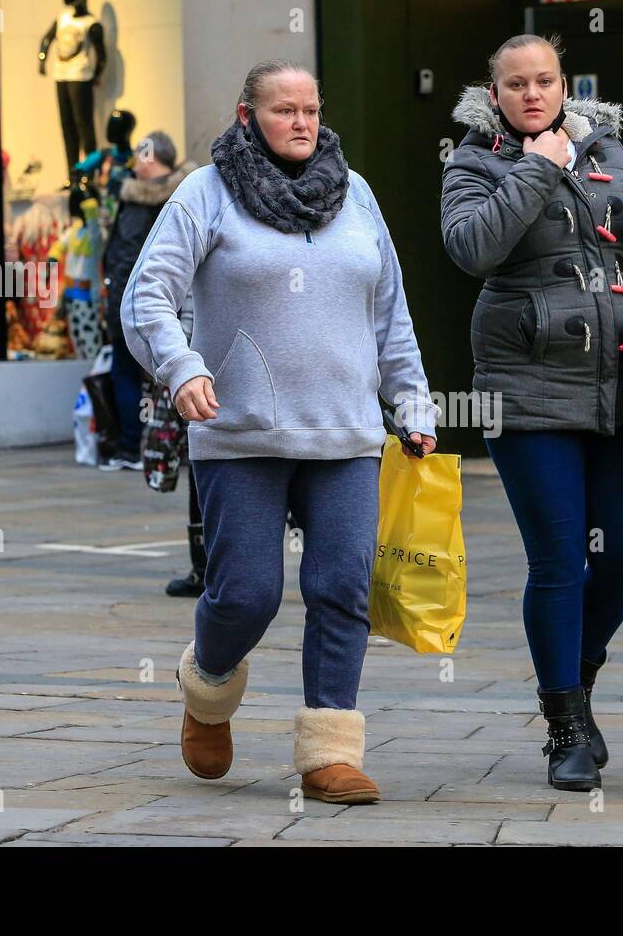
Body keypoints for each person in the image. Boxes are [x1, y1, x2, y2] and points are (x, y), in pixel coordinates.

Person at [122, 59, 439, 805]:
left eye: (311, 109)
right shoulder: (205, 194)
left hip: (347, 433)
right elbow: (148, 296)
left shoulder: (356, 195)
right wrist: (182, 367)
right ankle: (207, 693)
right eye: (283, 110)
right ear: (245, 117)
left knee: (341, 588)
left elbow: (390, 313)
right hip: (240, 435)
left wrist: (413, 401)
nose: (302, 122)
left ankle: (329, 752)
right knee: (247, 595)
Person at [440, 34, 623, 791]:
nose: (533, 94)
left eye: (545, 81)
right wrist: (536, 171)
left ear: (565, 83)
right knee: (560, 561)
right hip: (526, 388)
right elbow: (471, 248)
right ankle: (565, 728)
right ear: (496, 93)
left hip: (620, 385)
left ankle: (575, 678)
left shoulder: (606, 147)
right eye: (517, 85)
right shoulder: (474, 161)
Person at [102, 129, 195, 471]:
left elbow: (126, 259)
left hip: (144, 304)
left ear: (152, 158)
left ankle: (133, 448)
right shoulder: (187, 194)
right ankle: (168, 446)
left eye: (141, 155)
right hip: (178, 306)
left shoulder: (142, 202)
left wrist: (117, 304)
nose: (134, 164)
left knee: (127, 373)